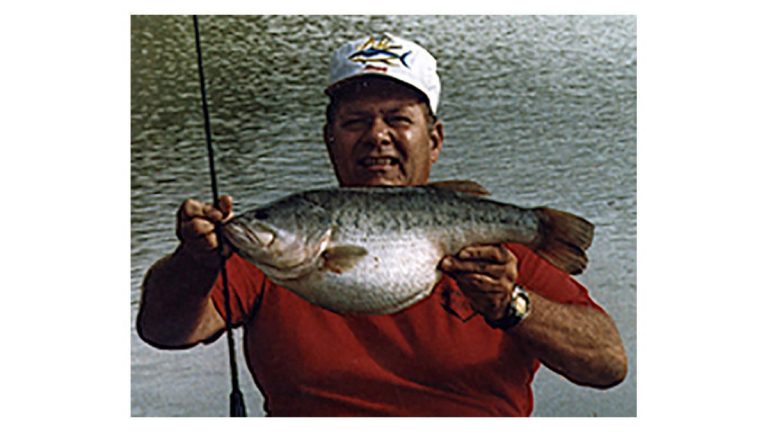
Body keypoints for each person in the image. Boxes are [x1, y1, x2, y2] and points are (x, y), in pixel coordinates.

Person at [137, 33, 627, 416]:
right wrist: (194, 262)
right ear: (330, 140)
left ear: (434, 140)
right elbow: (164, 331)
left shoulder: (494, 251)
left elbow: (608, 364)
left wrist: (512, 305)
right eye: (356, 122)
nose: (377, 137)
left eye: (397, 118)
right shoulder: (275, 248)